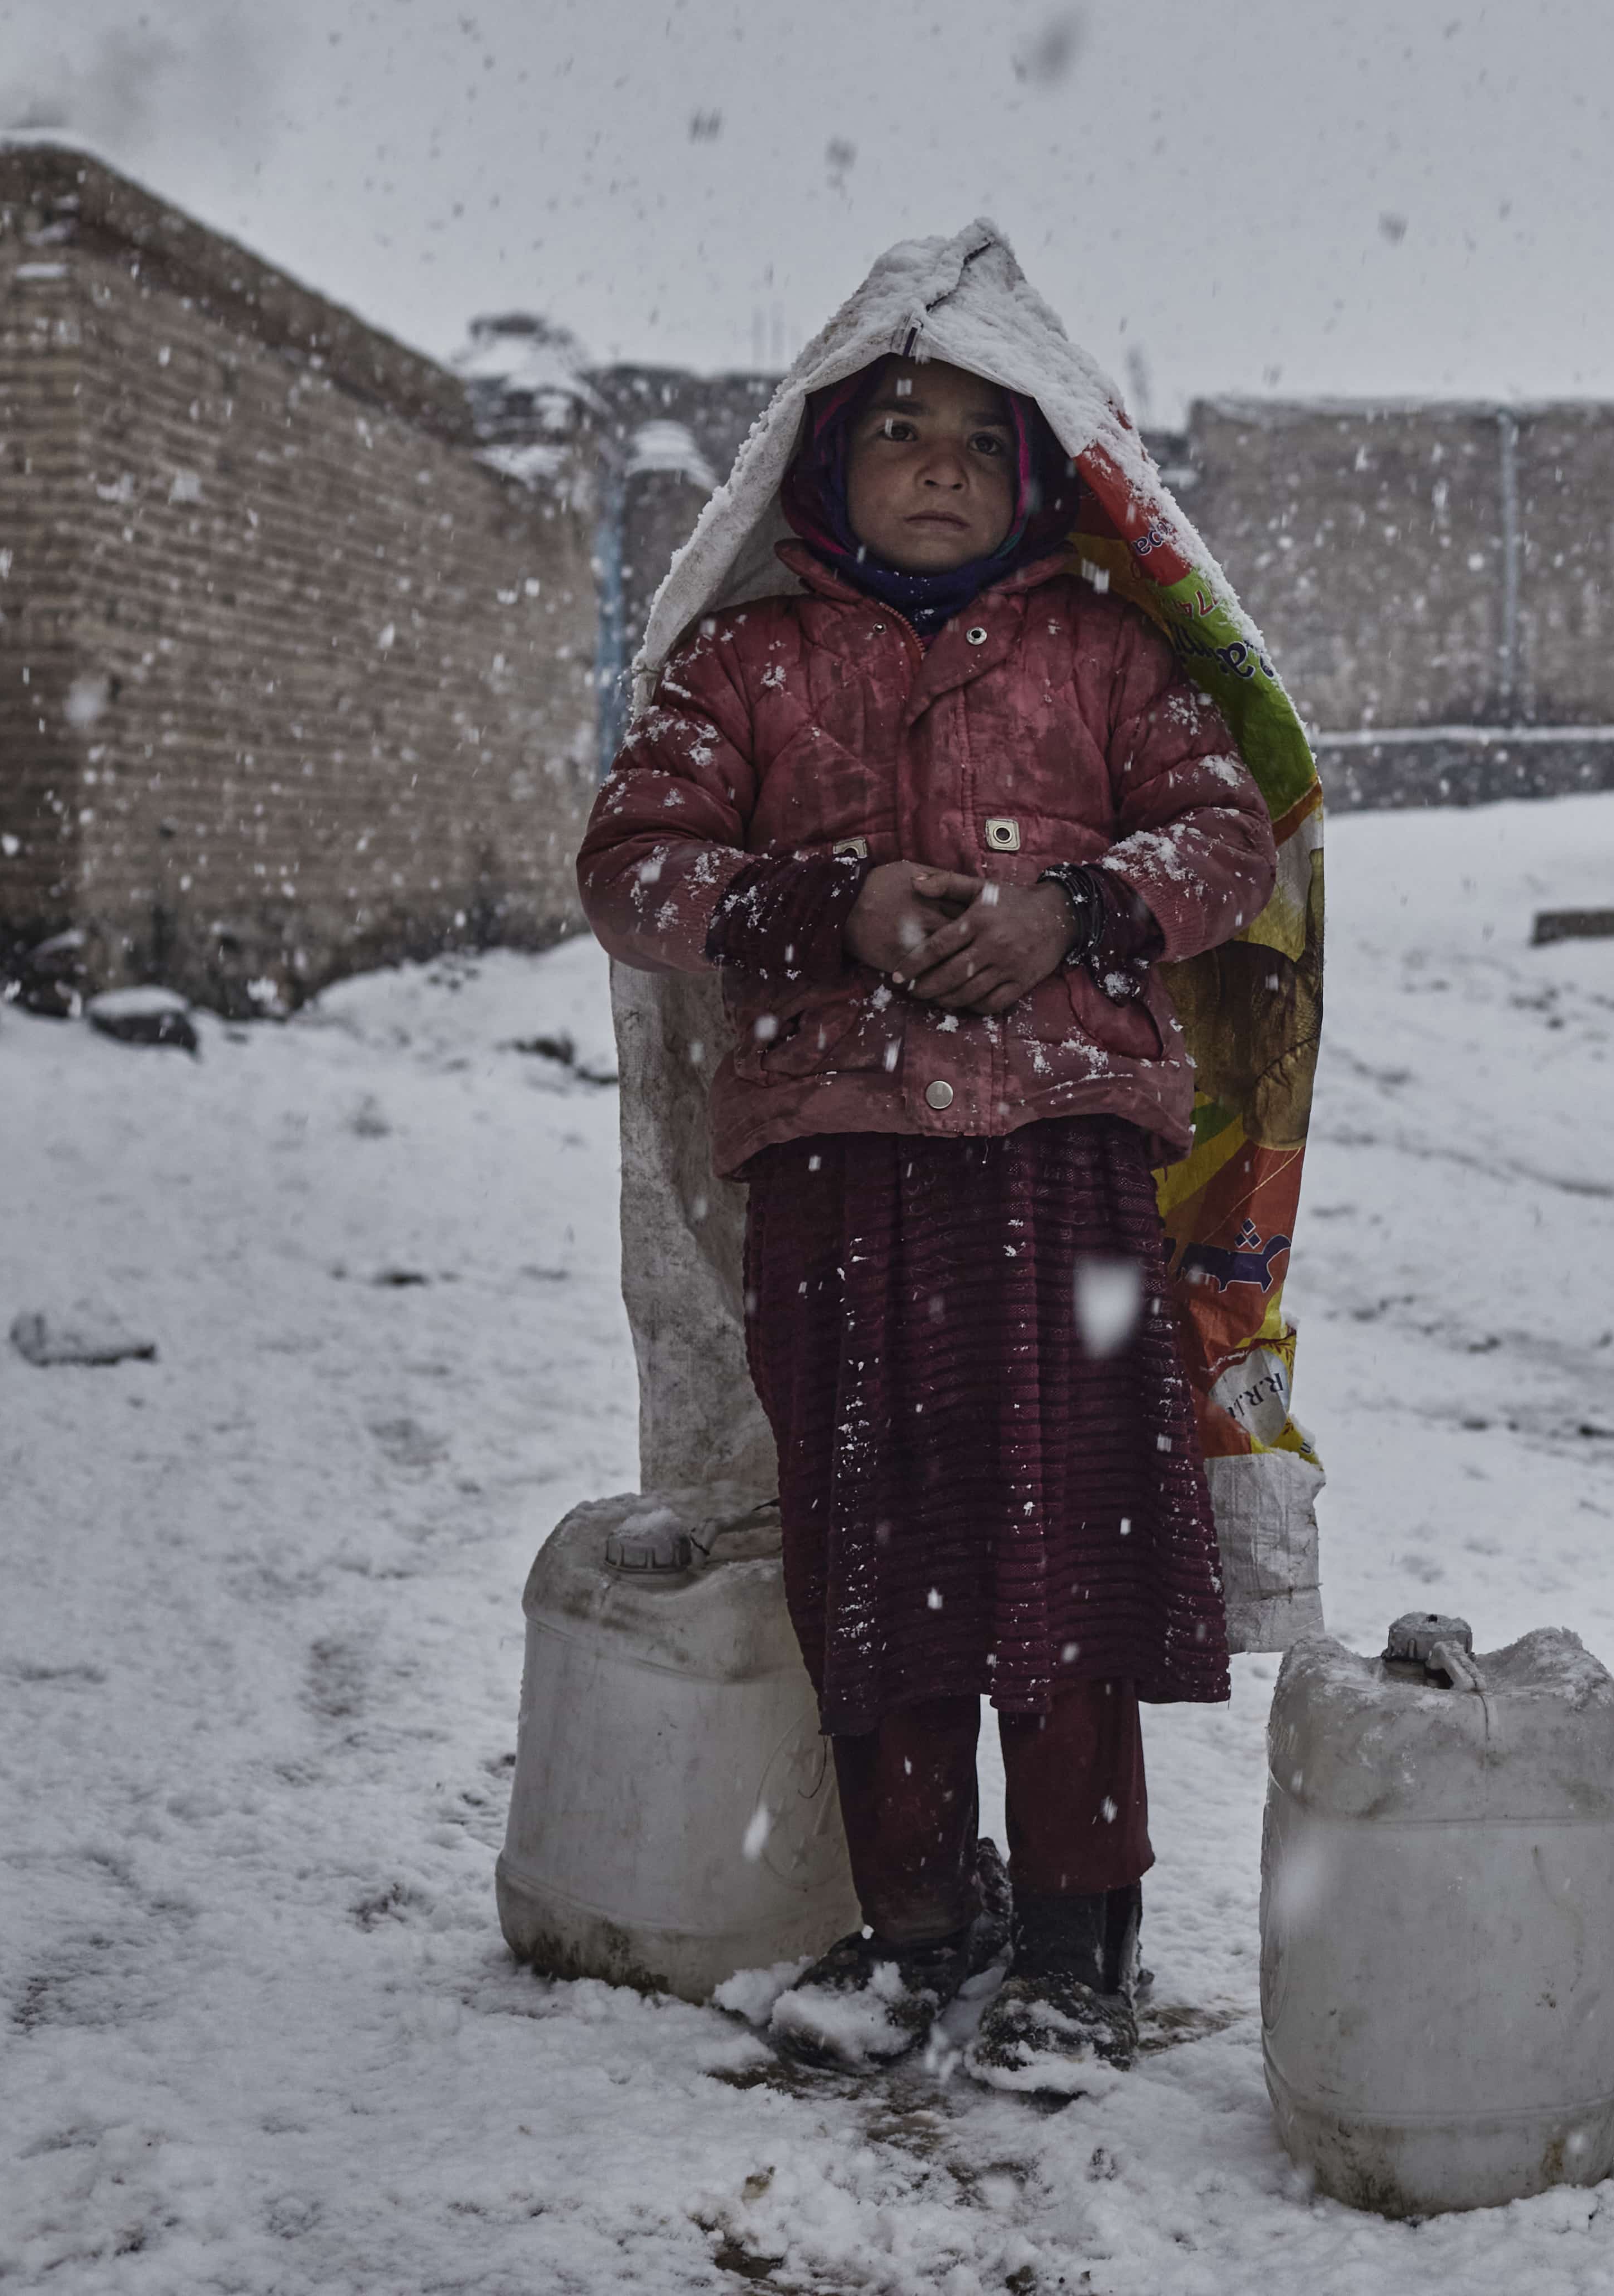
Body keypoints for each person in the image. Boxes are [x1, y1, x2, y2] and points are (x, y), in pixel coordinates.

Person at [579, 339, 1276, 2082]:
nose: (943, 463)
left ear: (1040, 478)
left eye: (982, 436)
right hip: (840, 1173)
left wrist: (1075, 911)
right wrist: (832, 904)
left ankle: (1077, 1950)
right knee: (872, 1548)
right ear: (823, 467)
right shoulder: (745, 667)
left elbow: (1227, 839)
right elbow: (634, 868)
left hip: (1070, 1172)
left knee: (1074, 1553)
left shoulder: (1110, 655)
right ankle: (917, 1928)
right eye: (900, 431)